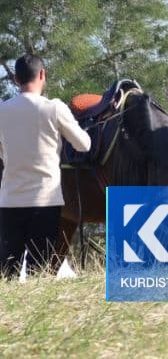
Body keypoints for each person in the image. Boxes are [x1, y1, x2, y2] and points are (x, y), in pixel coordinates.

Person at [0, 55, 91, 278]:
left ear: (15, 79)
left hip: (9, 200)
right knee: (38, 272)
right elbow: (84, 145)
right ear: (42, 75)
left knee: (6, 272)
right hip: (45, 202)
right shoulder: (54, 108)